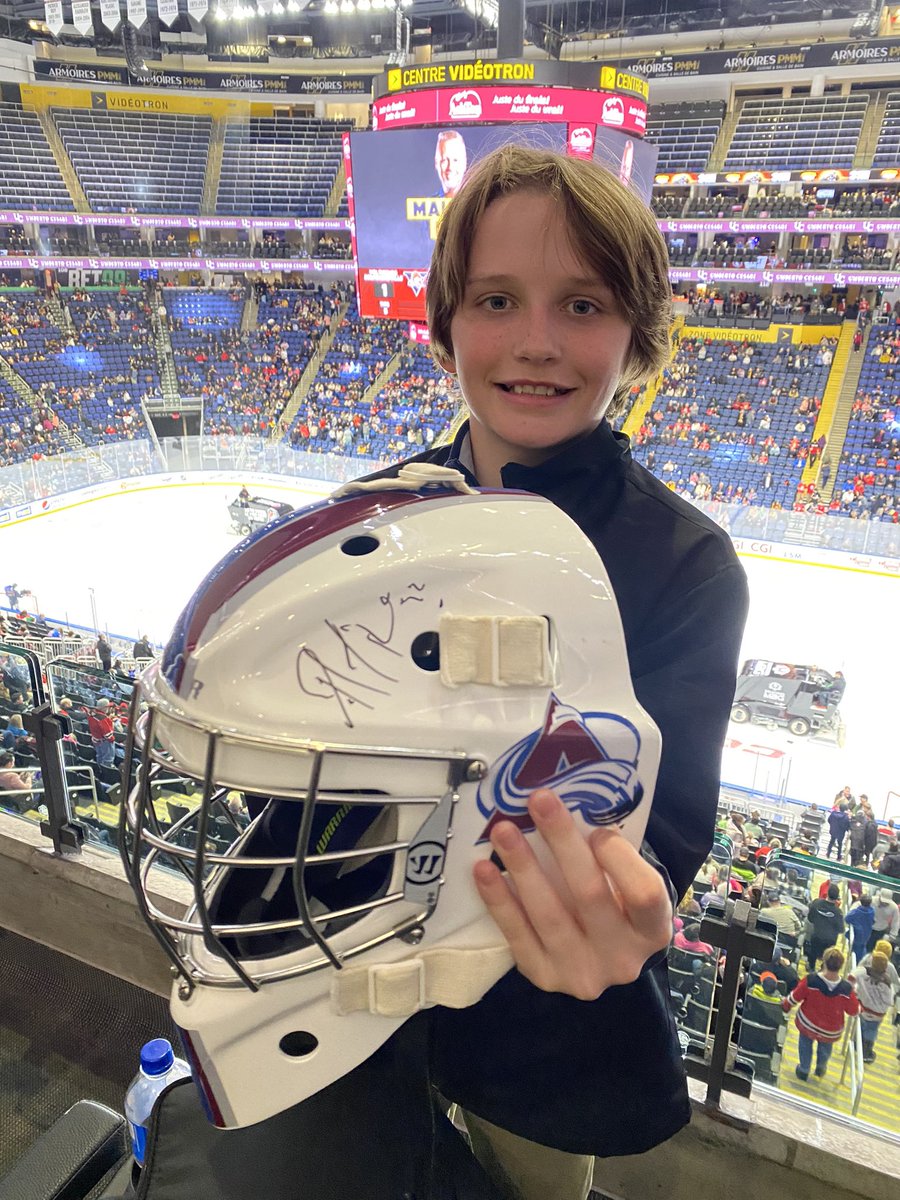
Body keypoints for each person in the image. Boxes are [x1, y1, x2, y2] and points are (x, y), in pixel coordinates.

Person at [355, 142, 749, 1196]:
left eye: (583, 305)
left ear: (635, 335)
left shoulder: (686, 565)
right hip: (351, 1006)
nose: (537, 343)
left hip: (540, 1039)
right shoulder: (369, 522)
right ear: (445, 323)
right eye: (495, 298)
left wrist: (625, 908)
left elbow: (663, 838)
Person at [783, 945, 860, 1081]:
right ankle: (821, 1067)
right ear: (841, 965)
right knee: (826, 1047)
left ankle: (804, 1069)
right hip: (831, 1030)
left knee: (805, 1044)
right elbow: (853, 1011)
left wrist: (786, 1005)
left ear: (823, 961)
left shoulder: (811, 980)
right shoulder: (846, 989)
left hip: (808, 1023)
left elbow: (795, 997)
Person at [847, 949, 897, 1063]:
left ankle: (855, 1043)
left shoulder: (863, 972)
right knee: (871, 1030)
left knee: (859, 1024)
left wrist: (854, 993)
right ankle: (866, 1052)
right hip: (877, 1014)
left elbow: (851, 977)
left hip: (863, 1007)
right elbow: (889, 1001)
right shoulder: (887, 981)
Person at [804, 883, 845, 971]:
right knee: (828, 957)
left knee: (813, 953)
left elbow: (810, 919)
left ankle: (811, 967)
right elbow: (841, 929)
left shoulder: (816, 903)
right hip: (830, 941)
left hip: (816, 936)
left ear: (827, 893)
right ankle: (823, 969)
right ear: (837, 897)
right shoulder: (838, 912)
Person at [434, 129, 467, 198]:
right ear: (436, 163)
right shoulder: (427, 205)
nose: (450, 167)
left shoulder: (480, 202)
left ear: (464, 163)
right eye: (444, 160)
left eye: (455, 160)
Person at [87, 697, 116, 769]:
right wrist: (112, 739)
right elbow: (107, 734)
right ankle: (105, 775)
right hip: (105, 742)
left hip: (96, 740)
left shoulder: (92, 714)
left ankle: (99, 772)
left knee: (99, 757)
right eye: (108, 707)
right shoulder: (102, 718)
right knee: (108, 760)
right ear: (104, 708)